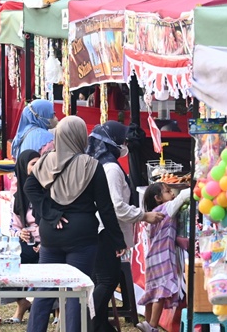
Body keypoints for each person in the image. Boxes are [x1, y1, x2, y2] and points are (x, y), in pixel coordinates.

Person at [24, 116, 125, 332]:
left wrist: (50, 214)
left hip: (51, 234)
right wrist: (118, 241)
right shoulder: (92, 165)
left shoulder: (45, 161)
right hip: (82, 236)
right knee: (75, 293)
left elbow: (29, 188)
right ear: (81, 137)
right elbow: (106, 207)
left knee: (44, 290)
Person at [86, 121, 165, 332]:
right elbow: (117, 206)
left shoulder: (101, 163)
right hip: (106, 230)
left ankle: (100, 323)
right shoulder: (111, 168)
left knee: (105, 280)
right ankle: (92, 321)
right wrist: (144, 215)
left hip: (103, 229)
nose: (125, 145)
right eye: (122, 141)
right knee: (107, 280)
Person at [137, 182, 190, 332]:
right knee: (160, 291)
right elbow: (183, 197)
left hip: (152, 257)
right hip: (163, 257)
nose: (172, 193)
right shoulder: (167, 209)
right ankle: (152, 326)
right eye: (168, 191)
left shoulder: (152, 214)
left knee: (152, 291)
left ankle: (147, 323)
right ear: (158, 198)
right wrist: (197, 184)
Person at [7, 150, 42, 324]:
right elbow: (13, 226)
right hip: (29, 242)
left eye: (40, 163)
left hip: (49, 242)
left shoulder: (49, 189)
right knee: (8, 262)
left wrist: (45, 241)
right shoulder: (18, 197)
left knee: (50, 260)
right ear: (23, 168)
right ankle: (22, 302)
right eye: (34, 164)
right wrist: (20, 233)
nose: (39, 167)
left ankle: (56, 309)